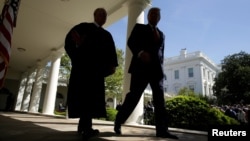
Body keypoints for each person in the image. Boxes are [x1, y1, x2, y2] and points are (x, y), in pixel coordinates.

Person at [114, 7, 178, 139]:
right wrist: (141, 52)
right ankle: (118, 121)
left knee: (160, 101)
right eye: (152, 13)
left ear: (159, 18)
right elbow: (131, 42)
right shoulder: (139, 28)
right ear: (148, 16)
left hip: (157, 72)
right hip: (141, 69)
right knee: (133, 97)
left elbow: (161, 55)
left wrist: (162, 70)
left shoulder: (162, 35)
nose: (154, 16)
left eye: (157, 14)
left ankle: (162, 130)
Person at [64, 8, 118, 140]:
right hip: (83, 70)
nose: (103, 16)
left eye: (105, 15)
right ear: (94, 15)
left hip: (96, 72)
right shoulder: (83, 27)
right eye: (100, 14)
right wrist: (77, 56)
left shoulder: (107, 35)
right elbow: (70, 41)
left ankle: (83, 126)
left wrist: (112, 66)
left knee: (91, 99)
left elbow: (111, 53)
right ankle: (86, 128)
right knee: (84, 97)